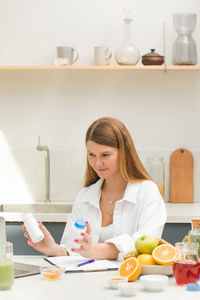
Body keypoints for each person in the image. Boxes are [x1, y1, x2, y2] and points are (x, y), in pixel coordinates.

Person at [22, 117, 167, 260]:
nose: (97, 163)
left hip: (129, 280)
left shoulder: (147, 191)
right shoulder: (84, 197)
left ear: (124, 153)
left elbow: (145, 244)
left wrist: (94, 250)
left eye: (105, 155)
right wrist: (55, 249)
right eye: (91, 155)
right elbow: (72, 249)